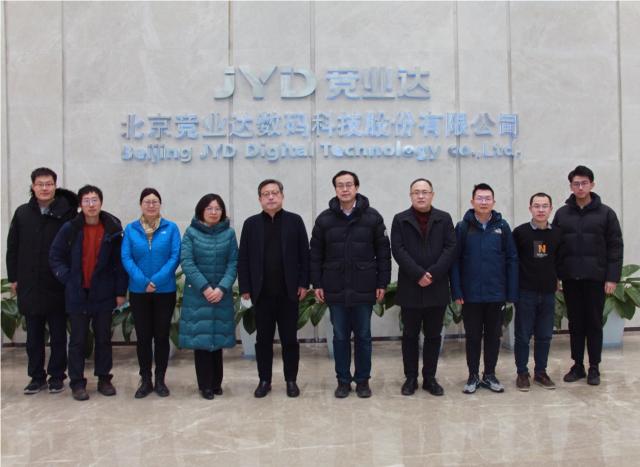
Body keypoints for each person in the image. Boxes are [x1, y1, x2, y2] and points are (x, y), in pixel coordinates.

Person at [310, 170, 391, 399]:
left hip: (364, 287)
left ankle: (363, 380)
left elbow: (384, 253)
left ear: (356, 187)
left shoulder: (373, 217)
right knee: (340, 337)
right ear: (335, 189)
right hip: (335, 288)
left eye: (348, 185)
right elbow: (315, 255)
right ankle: (343, 381)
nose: (344, 189)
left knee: (363, 336)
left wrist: (382, 283)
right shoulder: (324, 219)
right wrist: (317, 283)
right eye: (340, 185)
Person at [49, 185, 128, 401]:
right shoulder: (70, 228)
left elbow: (120, 263)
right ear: (80, 204)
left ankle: (104, 378)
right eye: (86, 201)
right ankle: (77, 382)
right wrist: (68, 278)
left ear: (101, 202)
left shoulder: (113, 228)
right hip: (78, 293)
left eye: (95, 200)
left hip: (104, 293)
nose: (91, 205)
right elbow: (55, 256)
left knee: (103, 338)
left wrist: (120, 291)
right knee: (77, 340)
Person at [6, 167, 78, 395]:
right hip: (29, 282)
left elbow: (74, 247)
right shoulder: (22, 213)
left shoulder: (67, 213)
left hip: (57, 282)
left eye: (49, 184)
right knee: (33, 336)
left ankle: (57, 376)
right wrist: (14, 278)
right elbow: (12, 247)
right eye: (40, 184)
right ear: (33, 186)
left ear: (55, 186)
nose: (45, 188)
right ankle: (36, 377)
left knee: (58, 334)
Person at [238, 179, 310, 398]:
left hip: (289, 293)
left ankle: (291, 380)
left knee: (289, 340)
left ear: (282, 196)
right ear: (260, 198)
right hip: (261, 294)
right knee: (263, 341)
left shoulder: (294, 221)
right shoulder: (251, 224)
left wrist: (303, 283)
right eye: (266, 194)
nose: (271, 197)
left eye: (275, 193)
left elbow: (305, 255)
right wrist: (245, 287)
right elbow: (243, 258)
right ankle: (264, 380)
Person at [552, 165, 623, 386]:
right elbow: (555, 247)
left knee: (594, 323)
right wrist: (556, 275)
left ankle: (594, 367)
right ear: (571, 186)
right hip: (571, 278)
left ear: (592, 184)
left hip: (595, 278)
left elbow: (615, 247)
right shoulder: (562, 214)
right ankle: (577, 366)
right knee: (575, 323)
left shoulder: (606, 213)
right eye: (576, 184)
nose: (580, 187)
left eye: (584, 183)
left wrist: (612, 278)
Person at [391, 178, 456, 396]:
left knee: (433, 336)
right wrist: (418, 274)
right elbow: (398, 250)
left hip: (437, 287)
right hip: (410, 286)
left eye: (425, 192)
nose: (420, 196)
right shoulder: (400, 219)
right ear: (410, 195)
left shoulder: (444, 218)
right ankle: (410, 378)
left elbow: (450, 248)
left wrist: (433, 274)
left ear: (432, 195)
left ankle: (430, 378)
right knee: (409, 336)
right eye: (416, 192)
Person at [450, 183, 518, 394]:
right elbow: (455, 261)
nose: (483, 202)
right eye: (479, 198)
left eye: (487, 198)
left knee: (493, 336)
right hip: (470, 295)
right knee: (472, 337)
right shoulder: (463, 227)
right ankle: (472, 375)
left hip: (496, 294)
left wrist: (511, 291)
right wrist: (457, 290)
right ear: (472, 201)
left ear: (493, 202)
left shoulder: (502, 227)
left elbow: (512, 259)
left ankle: (489, 374)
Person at [121, 188, 181, 398]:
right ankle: (145, 379)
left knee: (162, 336)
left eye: (155, 201)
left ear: (160, 204)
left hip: (165, 290)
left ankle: (160, 379)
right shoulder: (131, 229)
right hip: (139, 291)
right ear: (141, 204)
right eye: (147, 201)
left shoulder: (171, 228)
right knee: (144, 337)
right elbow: (126, 257)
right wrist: (143, 281)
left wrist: (156, 280)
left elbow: (175, 256)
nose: (151, 205)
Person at [179, 194, 238, 400]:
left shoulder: (229, 234)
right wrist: (205, 287)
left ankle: (216, 383)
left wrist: (222, 288)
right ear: (201, 211)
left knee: (218, 338)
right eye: (209, 208)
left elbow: (233, 263)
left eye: (217, 208)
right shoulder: (191, 233)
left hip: (221, 293)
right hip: (198, 294)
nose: (214, 212)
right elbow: (187, 262)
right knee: (201, 340)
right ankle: (205, 385)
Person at [512, 193, 563, 391]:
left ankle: (541, 372)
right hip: (526, 292)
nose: (540, 210)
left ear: (550, 209)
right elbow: (512, 261)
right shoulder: (520, 233)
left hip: (549, 293)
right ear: (530, 208)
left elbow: (559, 261)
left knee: (544, 335)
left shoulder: (557, 234)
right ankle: (522, 373)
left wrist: (558, 281)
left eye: (544, 206)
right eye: (536, 206)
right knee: (523, 336)